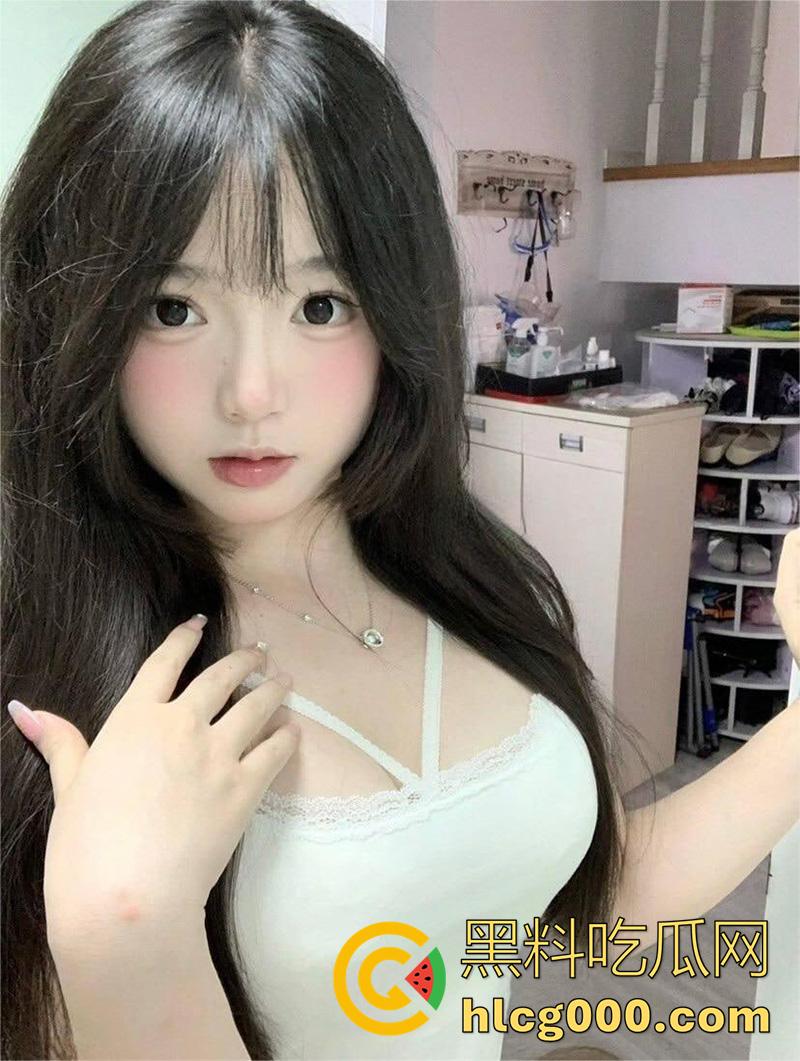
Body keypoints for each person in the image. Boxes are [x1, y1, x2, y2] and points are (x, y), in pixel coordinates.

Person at [1, 2, 797, 1059]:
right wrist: (123, 938)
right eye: (172, 308)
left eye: (320, 306)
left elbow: (592, 900)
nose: (252, 393)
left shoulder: (459, 567)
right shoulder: (55, 663)